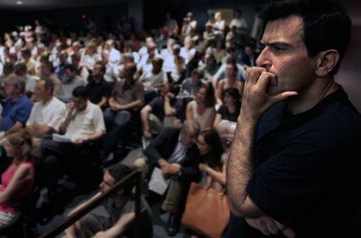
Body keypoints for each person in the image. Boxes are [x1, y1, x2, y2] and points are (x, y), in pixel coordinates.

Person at [225, 1, 361, 237]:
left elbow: (241, 202)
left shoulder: (332, 133)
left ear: (324, 62)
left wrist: (246, 116)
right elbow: (240, 160)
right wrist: (252, 207)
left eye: (278, 49)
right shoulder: (278, 99)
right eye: (263, 46)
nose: (260, 60)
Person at [138, 121, 201, 236]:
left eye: (196, 136)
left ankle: (173, 214)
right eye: (191, 136)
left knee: (178, 179)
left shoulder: (196, 147)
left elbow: (196, 173)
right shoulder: (169, 132)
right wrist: (162, 162)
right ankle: (136, 197)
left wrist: (179, 170)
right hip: (160, 165)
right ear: (182, 133)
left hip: (177, 174)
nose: (194, 140)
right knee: (139, 164)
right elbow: (150, 149)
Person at [63, 164, 153, 238]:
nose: (100, 185)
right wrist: (71, 236)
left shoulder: (135, 208)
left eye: (106, 183)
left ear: (120, 190)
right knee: (80, 220)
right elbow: (72, 215)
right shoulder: (107, 193)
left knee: (99, 235)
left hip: (130, 235)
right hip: (114, 224)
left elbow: (105, 237)